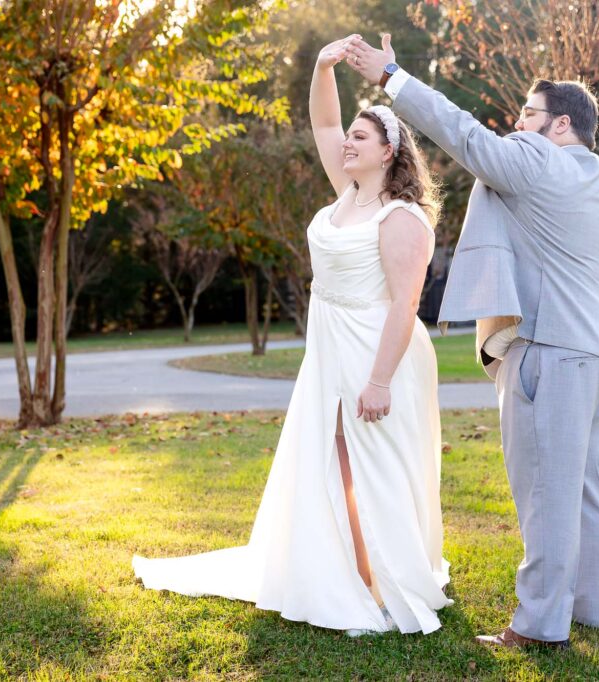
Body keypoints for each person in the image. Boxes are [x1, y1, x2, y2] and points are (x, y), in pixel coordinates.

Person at [133, 34, 451, 637]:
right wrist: (323, 66)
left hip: (376, 351)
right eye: (350, 137)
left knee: (368, 465)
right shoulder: (348, 194)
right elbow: (324, 122)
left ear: (389, 152)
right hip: (330, 348)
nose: (347, 143)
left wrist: (379, 380)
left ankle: (382, 590)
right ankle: (352, 575)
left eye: (361, 138)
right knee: (335, 460)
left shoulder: (400, 217)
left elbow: (406, 304)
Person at [346, 35, 599, 649]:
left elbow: (465, 134)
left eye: (528, 114)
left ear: (560, 125)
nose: (517, 125)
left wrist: (391, 75)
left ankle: (539, 627)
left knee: (545, 495)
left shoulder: (538, 161)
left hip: (552, 350)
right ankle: (589, 609)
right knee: (588, 488)